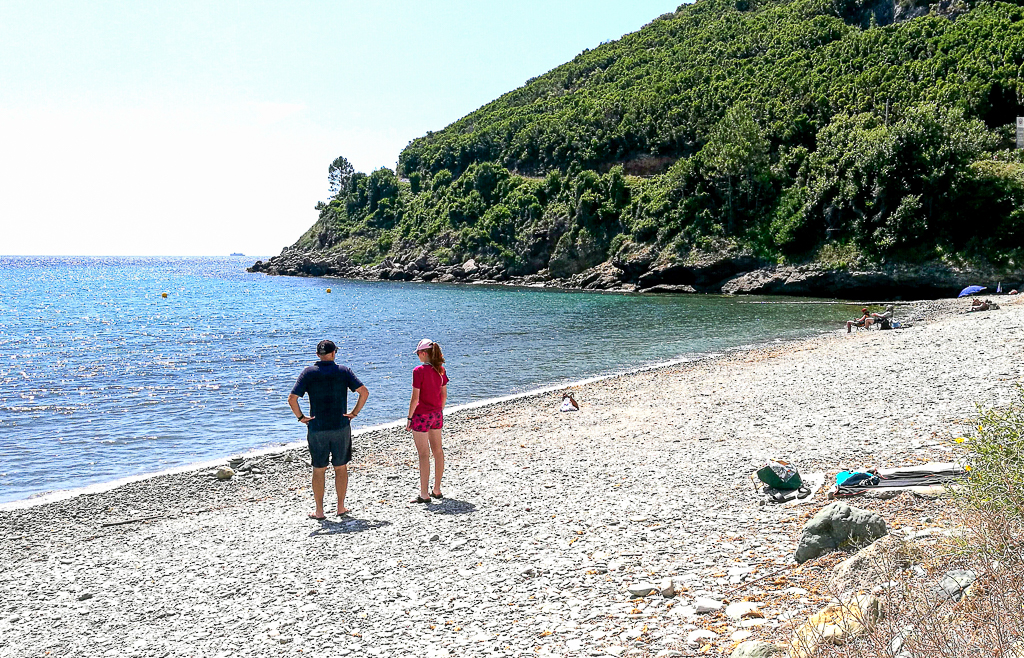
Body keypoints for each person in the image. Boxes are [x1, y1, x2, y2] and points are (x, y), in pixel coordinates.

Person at [288, 339, 369, 519]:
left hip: (317, 428)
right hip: (340, 426)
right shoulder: (343, 371)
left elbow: (292, 399)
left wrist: (301, 418)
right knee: (340, 467)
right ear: (333, 353)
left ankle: (319, 511)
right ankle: (340, 507)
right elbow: (364, 392)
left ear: (318, 355)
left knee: (319, 469)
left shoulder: (308, 373)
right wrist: (354, 413)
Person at [405, 339, 449, 504]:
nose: (417, 356)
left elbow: (415, 398)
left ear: (423, 353)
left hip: (422, 416)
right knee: (438, 451)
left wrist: (409, 418)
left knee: (424, 454)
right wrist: (439, 410)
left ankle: (424, 494)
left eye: (418, 353)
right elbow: (444, 395)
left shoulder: (419, 371)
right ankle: (437, 489)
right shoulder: (440, 370)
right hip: (436, 414)